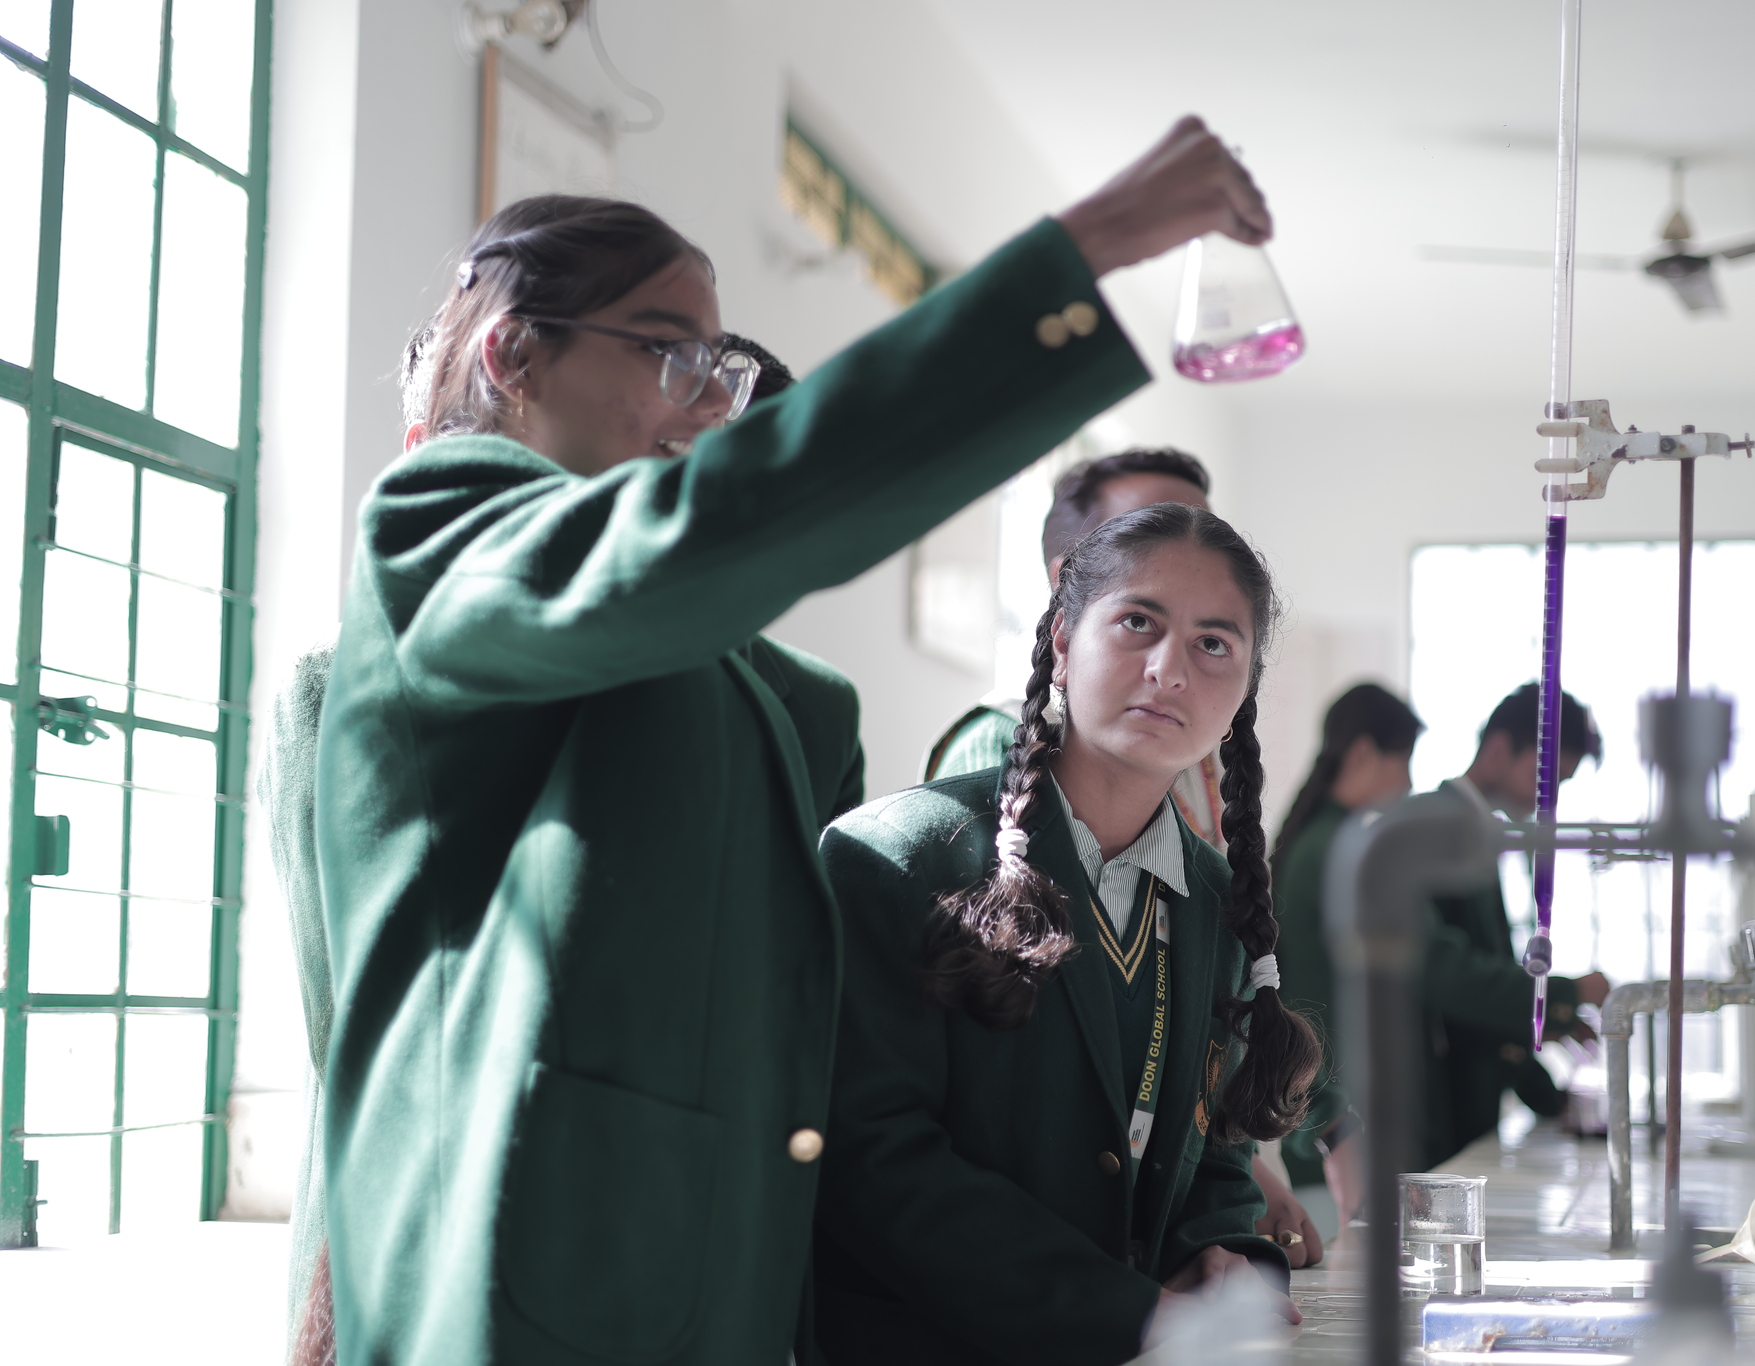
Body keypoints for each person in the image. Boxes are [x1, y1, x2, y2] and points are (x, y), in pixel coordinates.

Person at [316, 115, 1275, 1366]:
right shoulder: (437, 533)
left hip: (722, 1287)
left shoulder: (756, 687)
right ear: (511, 355)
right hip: (524, 1269)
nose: (715, 402)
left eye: (724, 367)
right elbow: (695, 541)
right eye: (671, 355)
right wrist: (1077, 255)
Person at [270, 334, 815, 1363]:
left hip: (700, 1226)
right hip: (415, 1207)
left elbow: (784, 988)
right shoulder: (338, 686)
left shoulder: (805, 705)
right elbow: (350, 1017)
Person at [814, 503, 1318, 1364]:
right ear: (1059, 642)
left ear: (1243, 694)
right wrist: (1136, 1313)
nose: (1168, 670)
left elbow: (1212, 1159)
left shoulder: (1215, 900)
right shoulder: (897, 858)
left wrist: (1225, 1262)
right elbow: (875, 1160)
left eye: (1213, 645)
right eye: (1136, 622)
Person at [926, 448, 1221, 845]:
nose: (1188, 553)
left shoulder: (1191, 739)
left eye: (1205, 533)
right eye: (1147, 534)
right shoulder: (999, 744)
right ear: (1067, 580)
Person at [1400, 682, 1611, 1170]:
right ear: (1499, 749)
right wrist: (1564, 993)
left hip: (1458, 1108)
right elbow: (1448, 975)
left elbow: (1484, 1004)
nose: (1550, 801)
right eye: (1548, 780)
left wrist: (1551, 1093)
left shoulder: (1471, 830)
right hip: (1424, 1108)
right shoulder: (1432, 824)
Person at [1269, 683, 1423, 1202]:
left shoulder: (1316, 839)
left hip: (1321, 1111)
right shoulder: (1342, 848)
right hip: (1337, 1125)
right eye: (1403, 761)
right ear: (1363, 753)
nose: (1407, 782)